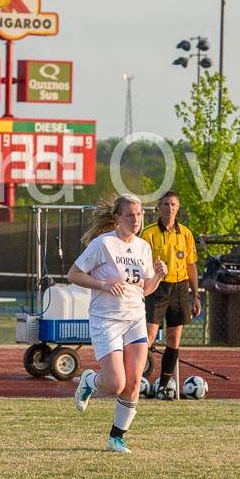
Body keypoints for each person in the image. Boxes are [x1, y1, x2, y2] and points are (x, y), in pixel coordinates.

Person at [68, 194, 167, 453]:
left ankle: (116, 437)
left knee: (134, 383)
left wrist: (157, 276)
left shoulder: (144, 247)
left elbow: (144, 290)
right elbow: (73, 274)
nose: (136, 220)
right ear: (117, 218)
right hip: (107, 320)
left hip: (135, 318)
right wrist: (102, 284)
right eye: (130, 215)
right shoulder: (104, 244)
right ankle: (89, 380)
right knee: (115, 384)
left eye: (139, 215)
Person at [141, 190, 200, 399]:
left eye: (173, 204)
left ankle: (164, 385)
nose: (170, 208)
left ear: (178, 207)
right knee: (147, 337)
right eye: (165, 204)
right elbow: (140, 264)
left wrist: (196, 294)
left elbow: (191, 265)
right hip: (157, 289)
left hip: (180, 289)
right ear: (159, 207)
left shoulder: (185, 233)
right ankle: (136, 380)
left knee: (174, 339)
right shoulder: (148, 234)